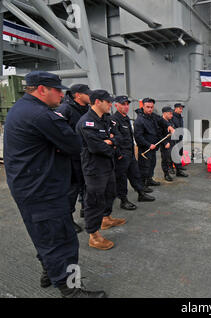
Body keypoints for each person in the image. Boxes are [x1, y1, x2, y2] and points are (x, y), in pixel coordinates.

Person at [3, 71, 105, 297]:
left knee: (43, 236)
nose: (62, 94)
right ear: (42, 89)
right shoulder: (41, 115)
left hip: (28, 188)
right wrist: (59, 146)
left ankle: (50, 272)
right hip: (44, 190)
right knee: (63, 241)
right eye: (57, 89)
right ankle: (71, 290)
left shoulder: (21, 108)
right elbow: (74, 143)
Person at [76, 90, 126, 251]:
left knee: (110, 193)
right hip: (94, 168)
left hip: (107, 165)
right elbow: (96, 147)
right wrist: (110, 143)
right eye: (108, 102)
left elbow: (120, 137)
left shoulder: (106, 119)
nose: (111, 104)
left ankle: (105, 219)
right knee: (94, 200)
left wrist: (109, 141)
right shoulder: (86, 122)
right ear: (98, 102)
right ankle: (94, 235)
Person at [57, 84, 93, 232]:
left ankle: (85, 209)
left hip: (83, 155)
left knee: (85, 184)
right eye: (88, 94)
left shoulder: (85, 109)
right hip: (70, 158)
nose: (91, 96)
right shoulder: (65, 109)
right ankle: (67, 220)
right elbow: (58, 133)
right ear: (77, 95)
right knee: (71, 189)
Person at [112, 96, 155, 210]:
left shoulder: (126, 118)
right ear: (116, 105)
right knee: (121, 178)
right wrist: (119, 154)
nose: (126, 107)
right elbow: (115, 140)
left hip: (130, 153)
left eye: (127, 104)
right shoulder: (114, 120)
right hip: (121, 155)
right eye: (123, 104)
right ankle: (123, 200)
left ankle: (141, 193)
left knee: (135, 174)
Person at [134, 98, 173, 186]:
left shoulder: (152, 116)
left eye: (151, 107)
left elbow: (161, 120)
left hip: (153, 147)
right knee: (144, 167)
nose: (150, 109)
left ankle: (149, 179)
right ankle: (143, 186)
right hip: (145, 149)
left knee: (152, 165)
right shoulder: (139, 121)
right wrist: (148, 144)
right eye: (147, 107)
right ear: (143, 106)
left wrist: (169, 126)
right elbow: (138, 137)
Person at [171, 103, 188, 173]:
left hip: (180, 137)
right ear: (175, 108)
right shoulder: (172, 116)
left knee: (180, 152)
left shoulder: (179, 116)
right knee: (173, 153)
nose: (181, 110)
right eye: (180, 108)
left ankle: (179, 166)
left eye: (182, 109)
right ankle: (171, 168)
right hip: (174, 138)